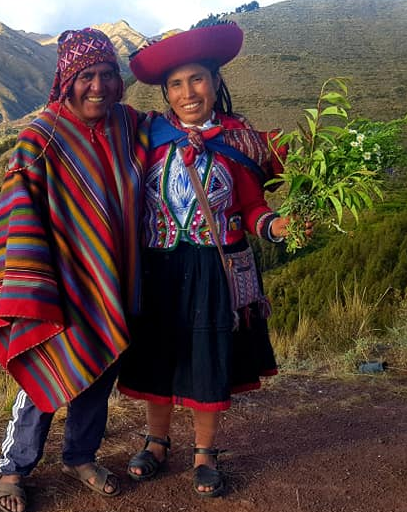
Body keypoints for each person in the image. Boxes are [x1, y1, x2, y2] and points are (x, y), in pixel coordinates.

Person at [116, 21, 302, 498]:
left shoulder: (239, 142)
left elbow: (253, 206)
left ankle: (204, 453)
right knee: (158, 353)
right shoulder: (147, 137)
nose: (187, 91)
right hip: (157, 267)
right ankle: (156, 442)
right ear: (165, 92)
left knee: (205, 357)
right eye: (175, 84)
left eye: (196, 79)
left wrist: (275, 225)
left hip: (211, 272)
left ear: (216, 81)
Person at [0, 28, 148, 512]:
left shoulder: (130, 125)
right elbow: (18, 216)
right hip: (60, 283)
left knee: (99, 371)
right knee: (43, 378)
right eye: (87, 76)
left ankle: (80, 455)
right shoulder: (41, 138)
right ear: (67, 81)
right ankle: (14, 468)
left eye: (108, 75)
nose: (99, 86)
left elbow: (179, 138)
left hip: (114, 279)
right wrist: (38, 280)